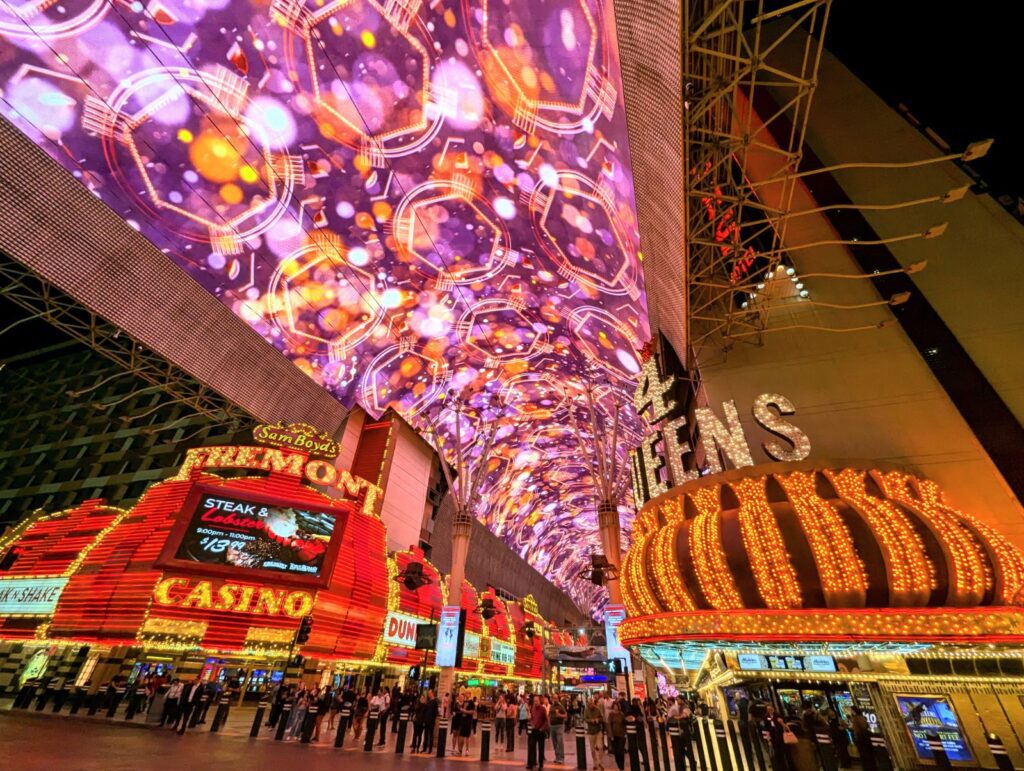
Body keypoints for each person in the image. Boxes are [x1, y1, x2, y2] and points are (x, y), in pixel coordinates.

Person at [527, 694, 550, 770]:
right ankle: (531, 763)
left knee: (541, 748)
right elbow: (532, 718)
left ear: (540, 701)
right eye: (534, 701)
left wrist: (542, 728)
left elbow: (546, 721)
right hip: (534, 730)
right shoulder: (533, 708)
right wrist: (531, 722)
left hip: (541, 731)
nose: (535, 702)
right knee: (531, 747)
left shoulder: (543, 709)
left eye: (536, 701)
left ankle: (541, 764)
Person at [585, 695, 606, 771]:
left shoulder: (597, 709)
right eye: (589, 704)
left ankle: (600, 761)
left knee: (600, 747)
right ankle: (595, 762)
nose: (591, 705)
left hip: (598, 731)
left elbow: (601, 718)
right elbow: (585, 719)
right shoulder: (586, 710)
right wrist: (591, 720)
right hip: (591, 731)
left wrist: (598, 720)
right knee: (592, 749)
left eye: (592, 703)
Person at [549, 694, 567, 764]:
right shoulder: (551, 706)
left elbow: (565, 715)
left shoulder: (561, 706)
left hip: (559, 726)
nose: (555, 699)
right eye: (554, 698)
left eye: (556, 698)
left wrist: (559, 715)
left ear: (558, 699)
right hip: (552, 726)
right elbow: (549, 715)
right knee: (555, 742)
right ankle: (557, 757)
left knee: (560, 741)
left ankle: (561, 758)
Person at [608, 702, 626, 771]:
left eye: (617, 706)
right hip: (614, 735)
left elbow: (624, 723)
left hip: (621, 735)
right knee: (616, 752)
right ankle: (618, 765)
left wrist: (625, 733)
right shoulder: (611, 714)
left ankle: (622, 766)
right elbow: (609, 725)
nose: (615, 708)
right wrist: (611, 735)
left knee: (621, 751)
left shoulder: (621, 714)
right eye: (614, 706)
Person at [422, 690, 438, 754]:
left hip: (431, 720)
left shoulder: (434, 702)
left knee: (431, 735)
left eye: (429, 693)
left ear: (432, 694)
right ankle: (424, 748)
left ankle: (430, 749)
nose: (429, 695)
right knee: (425, 734)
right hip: (426, 720)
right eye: (428, 693)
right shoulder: (428, 702)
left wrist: (433, 718)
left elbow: (435, 712)